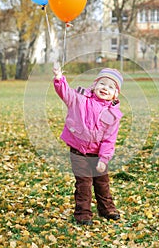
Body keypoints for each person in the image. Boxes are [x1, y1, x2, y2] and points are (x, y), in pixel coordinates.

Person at [53, 67, 123, 225]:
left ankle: (107, 208)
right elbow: (66, 94)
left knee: (102, 182)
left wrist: (104, 159)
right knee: (83, 183)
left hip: (98, 154)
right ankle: (83, 213)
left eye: (111, 87)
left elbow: (109, 139)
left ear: (115, 94)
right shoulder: (81, 99)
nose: (105, 88)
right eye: (102, 84)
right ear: (95, 85)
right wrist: (59, 79)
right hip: (79, 151)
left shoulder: (113, 115)